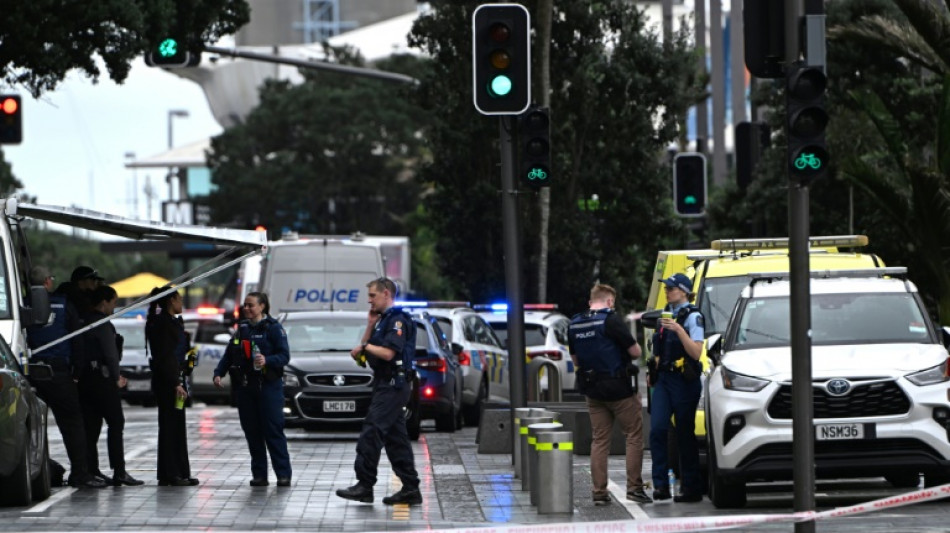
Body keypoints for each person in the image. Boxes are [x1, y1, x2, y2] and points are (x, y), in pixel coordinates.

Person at [335, 277, 421, 506]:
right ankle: (411, 488)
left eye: (373, 295)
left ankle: (365, 485)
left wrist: (365, 346)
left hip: (393, 385)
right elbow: (364, 352)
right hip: (385, 383)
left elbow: (388, 353)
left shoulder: (398, 320)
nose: (369, 300)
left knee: (372, 431)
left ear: (386, 294)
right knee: (396, 439)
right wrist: (370, 325)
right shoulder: (382, 320)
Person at [568, 283, 651, 506]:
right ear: (610, 301)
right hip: (619, 390)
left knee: (599, 440)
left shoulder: (574, 323)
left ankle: (599, 492)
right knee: (633, 435)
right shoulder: (611, 320)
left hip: (592, 391)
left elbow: (575, 360)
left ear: (590, 301)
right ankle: (634, 488)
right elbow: (636, 352)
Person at [25, 266, 107, 489]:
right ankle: (80, 473)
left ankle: (34, 471)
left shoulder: (22, 304)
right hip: (58, 371)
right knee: (72, 423)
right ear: (47, 282)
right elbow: (76, 339)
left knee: (30, 424)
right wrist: (77, 373)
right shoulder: (63, 304)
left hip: (30, 371)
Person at [213, 292, 292, 487]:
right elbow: (229, 354)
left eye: (251, 305)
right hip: (246, 387)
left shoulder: (274, 328)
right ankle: (259, 475)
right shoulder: (242, 329)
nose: (246, 308)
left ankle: (283, 474)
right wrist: (219, 373)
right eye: (245, 305)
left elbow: (284, 356)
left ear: (262, 306)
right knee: (252, 432)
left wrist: (268, 360)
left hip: (268, 387)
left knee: (273, 431)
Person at [77, 285, 143, 486]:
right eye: (113, 302)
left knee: (91, 427)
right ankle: (119, 471)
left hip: (85, 381)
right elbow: (111, 354)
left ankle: (92, 469)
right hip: (103, 380)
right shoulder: (102, 324)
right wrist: (116, 377)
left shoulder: (83, 321)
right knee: (116, 423)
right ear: (104, 302)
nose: (114, 307)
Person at [649, 273, 704, 503]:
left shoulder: (693, 317)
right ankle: (661, 485)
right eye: (666, 288)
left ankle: (691, 488)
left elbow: (696, 352)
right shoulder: (664, 315)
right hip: (664, 380)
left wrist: (679, 330)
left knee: (684, 434)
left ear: (683, 291)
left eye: (670, 288)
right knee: (657, 429)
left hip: (684, 381)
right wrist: (653, 368)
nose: (667, 292)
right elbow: (658, 350)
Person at [145, 287, 199, 486]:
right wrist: (176, 383)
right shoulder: (163, 324)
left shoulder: (174, 323)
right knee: (170, 426)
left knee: (177, 425)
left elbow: (183, 354)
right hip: (169, 384)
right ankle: (171, 473)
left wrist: (190, 361)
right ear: (171, 301)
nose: (182, 303)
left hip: (177, 381)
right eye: (179, 299)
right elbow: (165, 357)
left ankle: (180, 472)